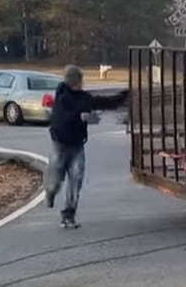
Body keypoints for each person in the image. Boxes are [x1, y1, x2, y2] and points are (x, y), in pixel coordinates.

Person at [45, 64, 129, 228]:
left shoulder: (84, 97)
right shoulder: (61, 98)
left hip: (77, 146)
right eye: (79, 80)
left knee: (76, 178)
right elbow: (60, 120)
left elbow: (101, 102)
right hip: (60, 145)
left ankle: (69, 214)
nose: (82, 83)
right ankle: (50, 192)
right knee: (56, 180)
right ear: (73, 81)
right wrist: (78, 117)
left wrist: (122, 97)